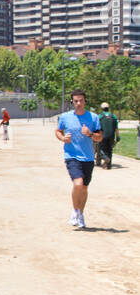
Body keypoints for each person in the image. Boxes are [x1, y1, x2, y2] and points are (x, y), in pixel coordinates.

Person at [55, 89, 103, 229]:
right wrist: (63, 138)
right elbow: (58, 131)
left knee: (84, 188)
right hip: (72, 156)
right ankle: (75, 211)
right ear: (72, 102)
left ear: (85, 101)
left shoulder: (93, 117)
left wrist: (90, 134)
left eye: (81, 100)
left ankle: (80, 214)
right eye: (76, 101)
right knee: (78, 184)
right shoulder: (65, 117)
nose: (78, 103)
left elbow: (99, 137)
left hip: (88, 157)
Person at [95, 102, 119, 169]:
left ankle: (105, 158)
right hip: (111, 136)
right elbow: (116, 128)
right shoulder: (113, 116)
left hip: (103, 135)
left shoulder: (100, 116)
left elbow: (96, 126)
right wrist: (118, 136)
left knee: (100, 149)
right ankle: (109, 165)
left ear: (102, 108)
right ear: (108, 108)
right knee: (110, 150)